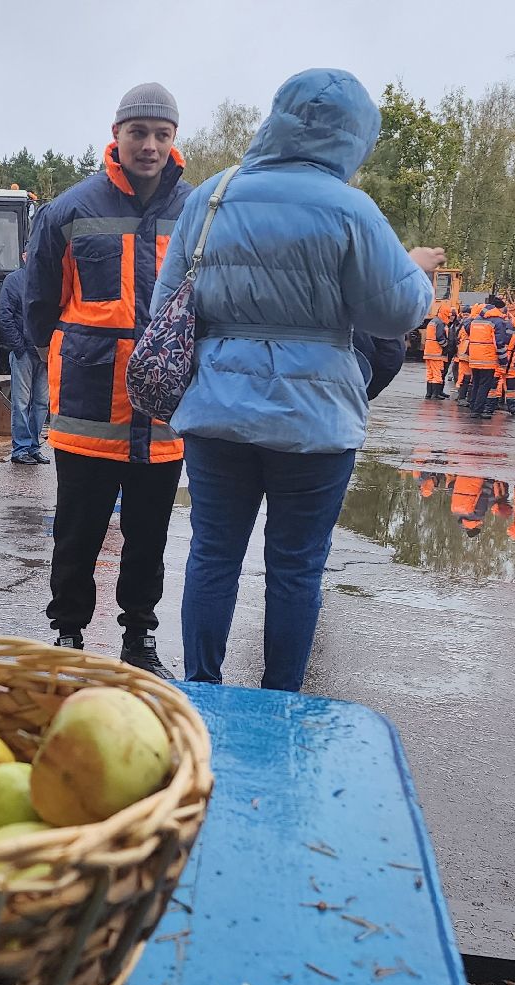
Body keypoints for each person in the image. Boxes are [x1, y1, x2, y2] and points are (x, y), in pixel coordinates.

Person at [153, 68, 439, 693]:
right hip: (315, 417)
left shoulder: (213, 196)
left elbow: (165, 303)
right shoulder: (350, 208)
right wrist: (417, 272)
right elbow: (395, 313)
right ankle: (280, 701)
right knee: (296, 569)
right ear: (355, 135)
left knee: (213, 556)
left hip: (217, 411)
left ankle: (202, 692)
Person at [23, 82, 194, 676]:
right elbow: (40, 303)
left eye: (161, 134)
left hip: (163, 412)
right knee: (77, 531)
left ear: (174, 139)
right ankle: (68, 634)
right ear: (116, 135)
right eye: (138, 132)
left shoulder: (194, 212)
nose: (149, 145)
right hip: (88, 406)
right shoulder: (69, 211)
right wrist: (72, 353)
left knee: (149, 536)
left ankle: (138, 639)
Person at [0, 260, 48, 464]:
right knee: (21, 402)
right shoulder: (14, 280)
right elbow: (3, 316)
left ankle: (34, 447)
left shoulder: (49, 280)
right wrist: (19, 346)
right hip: (24, 352)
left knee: (41, 403)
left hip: (45, 353)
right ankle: (21, 449)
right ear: (25, 256)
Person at [463, 297, 510, 419]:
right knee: (484, 385)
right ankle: (477, 410)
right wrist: (503, 360)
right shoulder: (498, 321)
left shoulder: (477, 320)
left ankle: (473, 406)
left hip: (474, 357)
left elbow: (466, 328)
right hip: (488, 359)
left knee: (476, 383)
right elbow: (499, 343)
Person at [420, 302, 459, 399]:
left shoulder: (433, 321)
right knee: (437, 373)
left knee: (430, 373)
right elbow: (440, 338)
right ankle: (435, 394)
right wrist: (446, 347)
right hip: (437, 353)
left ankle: (429, 393)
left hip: (429, 352)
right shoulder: (440, 323)